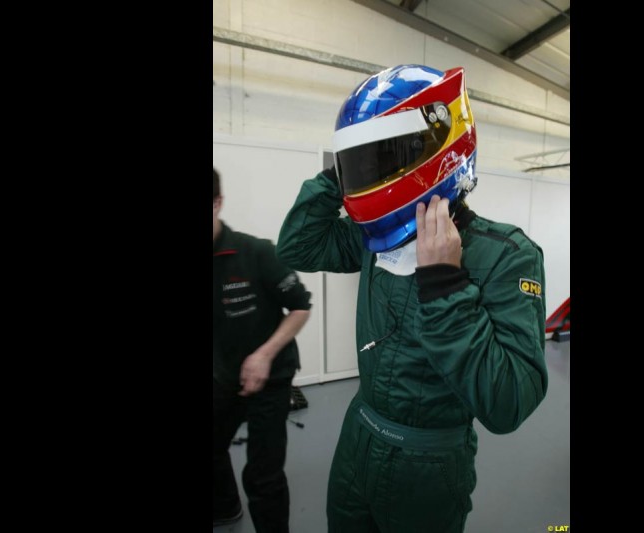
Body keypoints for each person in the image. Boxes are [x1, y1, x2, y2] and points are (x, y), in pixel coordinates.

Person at [276, 65, 548, 533]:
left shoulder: (505, 255)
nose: (365, 176)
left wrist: (445, 284)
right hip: (358, 436)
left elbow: (508, 403)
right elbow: (297, 246)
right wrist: (339, 174)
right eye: (358, 162)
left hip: (429, 461)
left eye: (377, 158)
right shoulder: (373, 237)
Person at [213, 167, 311, 532]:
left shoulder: (256, 253)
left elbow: (300, 308)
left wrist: (264, 354)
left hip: (271, 376)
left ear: (217, 203)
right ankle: (225, 506)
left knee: (263, 476)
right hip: (224, 376)